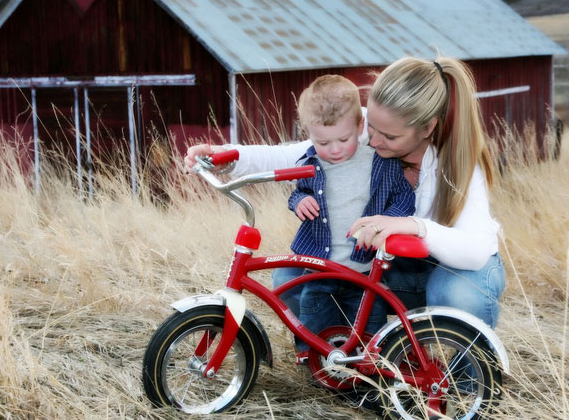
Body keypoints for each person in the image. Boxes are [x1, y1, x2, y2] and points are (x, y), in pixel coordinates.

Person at [184, 56, 505, 329]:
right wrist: (224, 156)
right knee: (292, 278)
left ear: (427, 128)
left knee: (455, 296)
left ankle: (468, 381)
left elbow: (475, 251)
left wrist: (413, 226)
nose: (374, 141)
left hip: (451, 269)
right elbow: (296, 154)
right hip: (390, 262)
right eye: (370, 128)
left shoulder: (459, 164)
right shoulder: (365, 129)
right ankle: (343, 356)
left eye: (389, 137)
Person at [285, 75, 414, 352]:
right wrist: (300, 201)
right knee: (314, 330)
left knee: (370, 337)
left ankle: (369, 380)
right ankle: (322, 374)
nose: (334, 150)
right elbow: (299, 191)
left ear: (360, 125)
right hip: (318, 270)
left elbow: (404, 196)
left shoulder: (379, 161)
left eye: (343, 139)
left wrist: (388, 222)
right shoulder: (310, 162)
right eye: (322, 142)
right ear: (308, 133)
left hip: (365, 274)